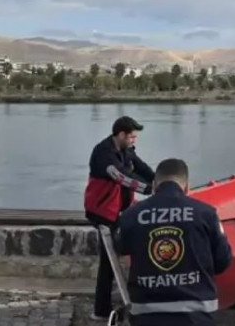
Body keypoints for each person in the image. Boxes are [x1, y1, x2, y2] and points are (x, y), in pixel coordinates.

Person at [117, 158, 233, 326]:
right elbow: (223, 262)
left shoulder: (131, 215)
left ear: (155, 185)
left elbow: (121, 247)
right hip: (197, 316)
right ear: (187, 187)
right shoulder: (207, 214)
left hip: (147, 315)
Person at [84, 116, 156, 321]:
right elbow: (121, 176)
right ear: (121, 134)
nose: (134, 140)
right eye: (132, 137)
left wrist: (160, 180)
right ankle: (101, 310)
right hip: (102, 214)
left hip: (120, 211)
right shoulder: (104, 154)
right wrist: (150, 189)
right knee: (108, 263)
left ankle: (131, 297)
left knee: (125, 252)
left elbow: (140, 167)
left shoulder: (126, 150)